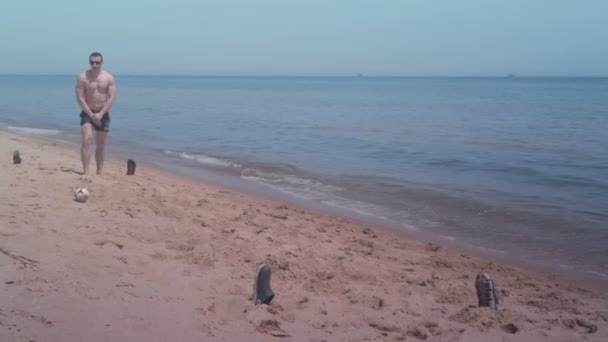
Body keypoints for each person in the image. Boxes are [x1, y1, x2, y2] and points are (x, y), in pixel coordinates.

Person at [75, 52, 116, 174]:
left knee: (101, 144)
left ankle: (99, 172)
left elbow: (111, 98)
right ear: (89, 62)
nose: (94, 64)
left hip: (102, 113)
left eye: (97, 62)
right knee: (87, 139)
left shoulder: (108, 77)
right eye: (92, 62)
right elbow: (80, 98)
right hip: (88, 112)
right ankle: (86, 171)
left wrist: (101, 114)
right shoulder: (83, 77)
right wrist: (92, 115)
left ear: (101, 63)